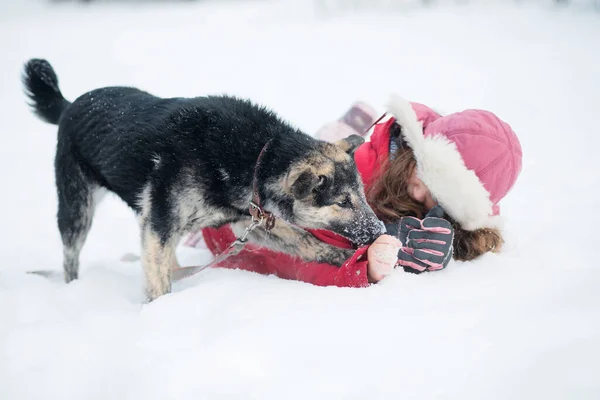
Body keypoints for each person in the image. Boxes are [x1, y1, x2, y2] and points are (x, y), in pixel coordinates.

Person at [182, 95, 522, 287]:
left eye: (440, 196)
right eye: (427, 173)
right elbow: (291, 254)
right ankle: (340, 130)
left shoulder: (448, 192)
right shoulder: (358, 169)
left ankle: (345, 127)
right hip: (234, 221)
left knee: (330, 144)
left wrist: (454, 244)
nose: (420, 194)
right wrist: (368, 264)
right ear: (418, 146)